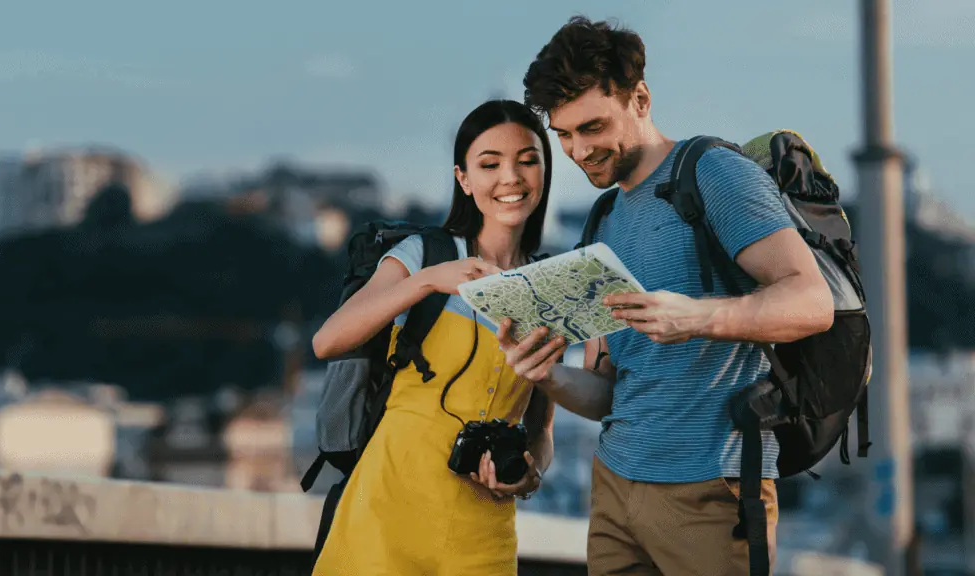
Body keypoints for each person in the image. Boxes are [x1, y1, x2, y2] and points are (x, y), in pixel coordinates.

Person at [497, 16, 835, 576]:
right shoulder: (602, 220)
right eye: (564, 135)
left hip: (711, 490)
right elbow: (606, 391)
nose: (579, 151)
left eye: (593, 127)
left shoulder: (715, 174)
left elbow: (812, 302)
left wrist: (697, 317)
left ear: (641, 98)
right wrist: (546, 375)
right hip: (614, 489)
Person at [310, 99, 557, 576]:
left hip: (483, 536)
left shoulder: (549, 289)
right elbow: (327, 341)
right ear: (463, 179)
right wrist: (425, 282)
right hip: (385, 514)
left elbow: (540, 428)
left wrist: (530, 475)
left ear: (544, 173)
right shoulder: (426, 253)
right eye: (490, 164)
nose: (511, 177)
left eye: (528, 161)